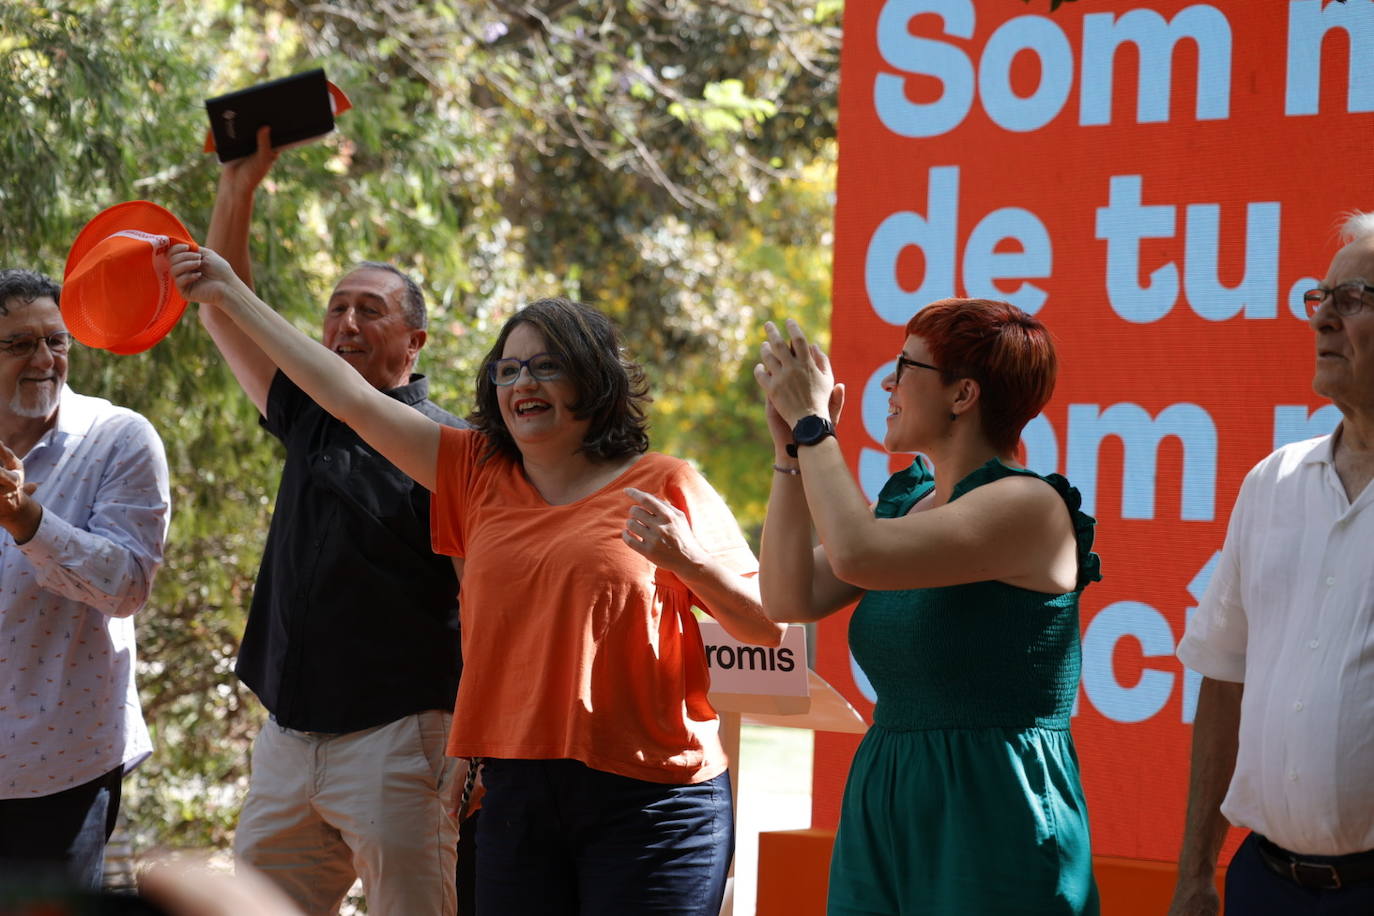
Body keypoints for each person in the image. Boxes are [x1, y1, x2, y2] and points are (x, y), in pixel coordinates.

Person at [170, 240, 785, 915]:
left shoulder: (666, 483)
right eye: (509, 369)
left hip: (651, 798)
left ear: (593, 380)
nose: (524, 383)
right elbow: (342, 395)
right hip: (519, 795)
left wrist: (687, 561)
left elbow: (765, 625)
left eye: (547, 367)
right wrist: (229, 294)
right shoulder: (472, 472)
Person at [754, 302, 1101, 914]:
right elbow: (789, 597)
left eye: (904, 366)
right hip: (887, 791)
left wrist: (815, 424)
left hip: (993, 803)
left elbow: (858, 554)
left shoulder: (1029, 505)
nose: (887, 383)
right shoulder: (909, 499)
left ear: (963, 394)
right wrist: (791, 453)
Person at [200, 130, 468, 916]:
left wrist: (468, 740)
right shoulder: (311, 418)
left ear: (415, 343)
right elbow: (229, 317)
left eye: (370, 310)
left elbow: (485, 601)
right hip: (288, 741)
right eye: (336, 307)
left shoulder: (450, 451)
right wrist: (236, 188)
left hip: (397, 744)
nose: (346, 321)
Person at [1167, 212, 1374, 915]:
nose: (1321, 322)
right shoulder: (1272, 482)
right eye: (1321, 299)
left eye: (1352, 300)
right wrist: (1195, 873)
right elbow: (1224, 681)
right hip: (1264, 884)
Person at [0, 268, 170, 887]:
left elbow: (125, 587)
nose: (45, 358)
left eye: (57, 341)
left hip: (59, 770)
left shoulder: (116, 439)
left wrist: (27, 520)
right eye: (19, 344)